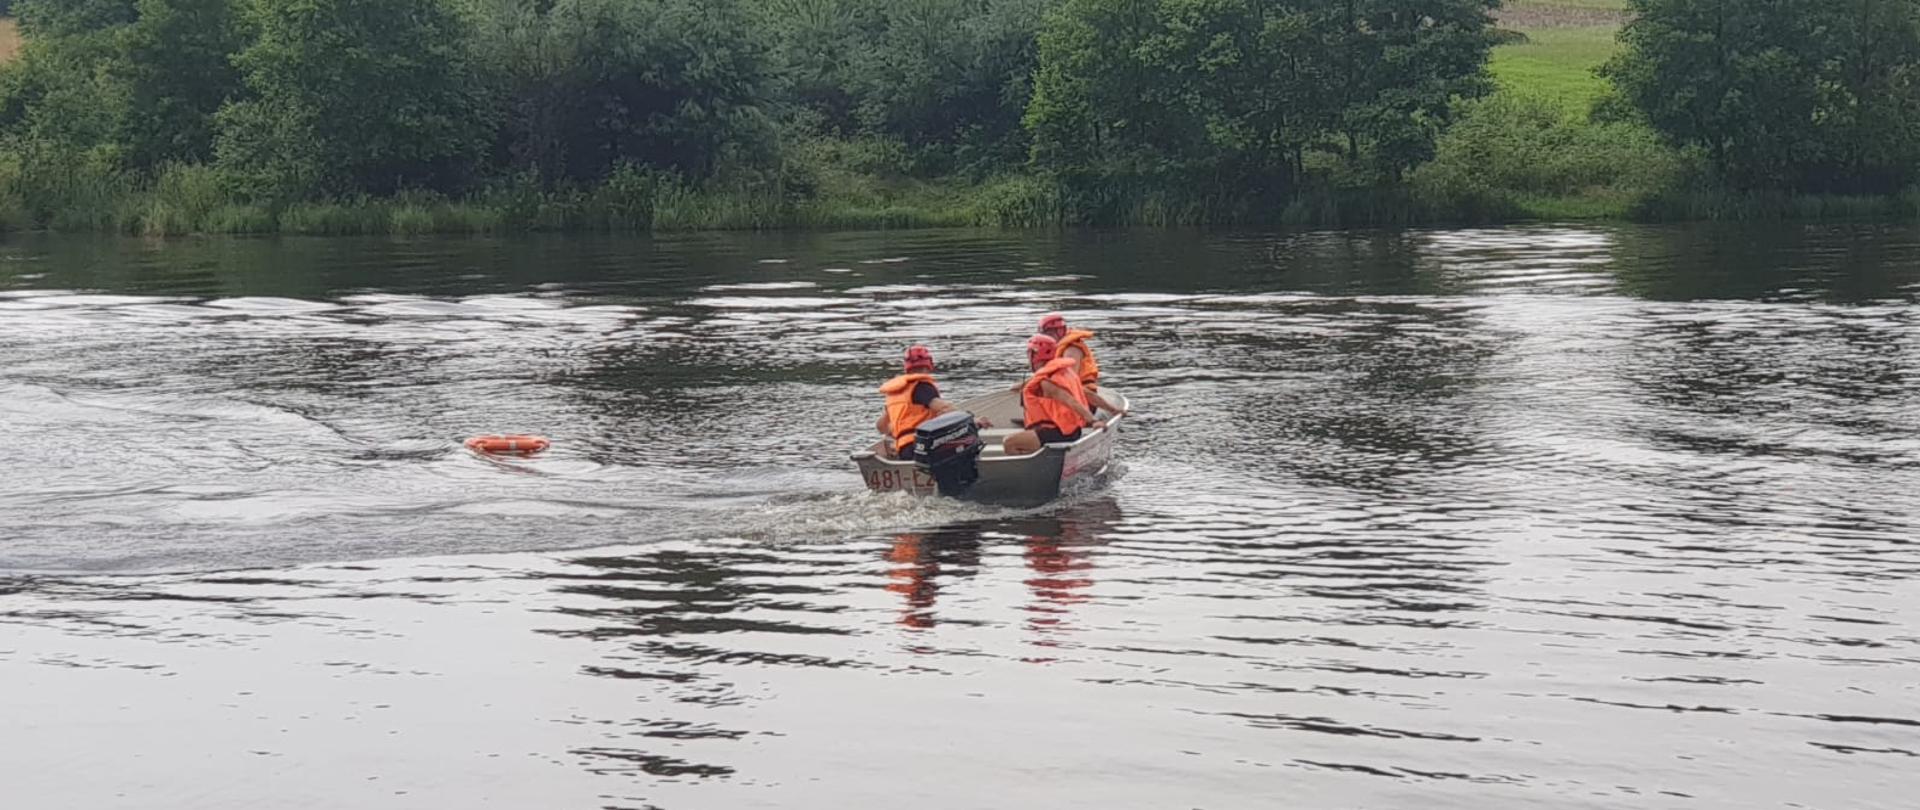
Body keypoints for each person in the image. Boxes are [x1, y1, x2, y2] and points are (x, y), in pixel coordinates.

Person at [1003, 334, 1107, 456]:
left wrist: (1094, 420)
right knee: (1023, 438)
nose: (1028, 357)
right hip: (1067, 429)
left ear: (1035, 355)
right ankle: (1036, 457)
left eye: (1029, 353)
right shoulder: (1064, 372)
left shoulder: (1046, 381)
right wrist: (1113, 409)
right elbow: (1087, 393)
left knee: (1009, 442)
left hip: (1059, 432)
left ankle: (1027, 468)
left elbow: (1070, 400)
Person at [876, 345, 955, 460]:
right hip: (924, 445)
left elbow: (881, 426)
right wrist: (973, 420)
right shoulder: (922, 386)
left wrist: (899, 432)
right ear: (930, 365)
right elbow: (945, 408)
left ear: (906, 367)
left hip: (903, 449)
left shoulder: (894, 392)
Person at [1038, 312, 1100, 390]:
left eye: (1048, 334)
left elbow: (1070, 378)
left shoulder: (1071, 349)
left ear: (1059, 331)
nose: (1046, 338)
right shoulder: (1061, 346)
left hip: (1083, 388)